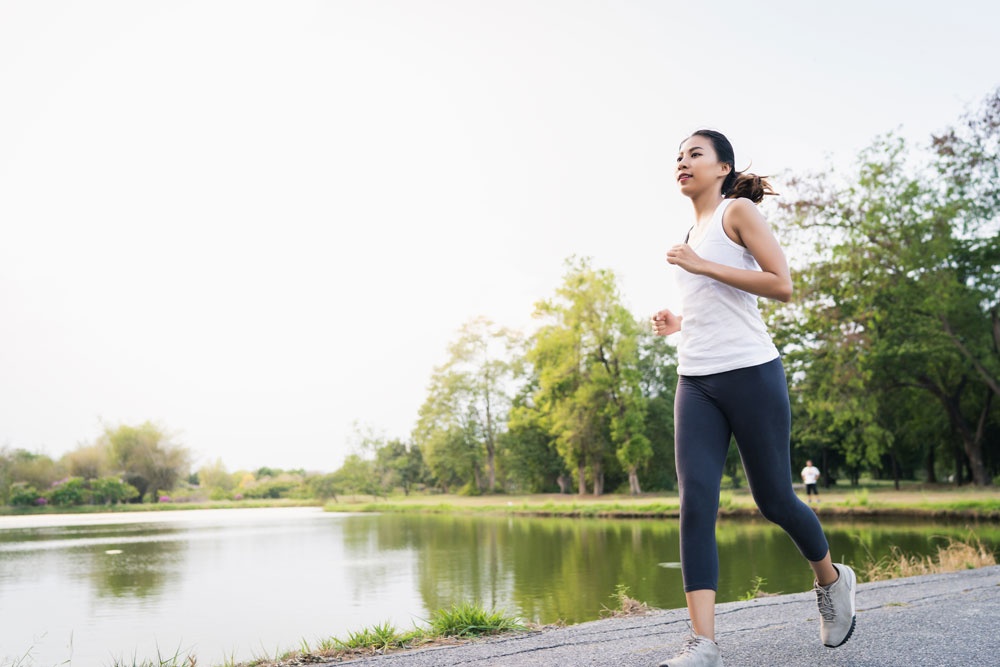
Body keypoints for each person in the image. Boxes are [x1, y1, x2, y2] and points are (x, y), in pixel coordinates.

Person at [651, 130, 856, 667]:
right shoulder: (689, 229)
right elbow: (713, 304)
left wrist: (700, 264)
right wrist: (677, 322)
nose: (682, 162)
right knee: (696, 502)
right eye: (678, 156)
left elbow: (781, 283)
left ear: (722, 167)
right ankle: (704, 644)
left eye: (694, 153)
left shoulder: (735, 212)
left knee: (775, 501)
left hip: (752, 374)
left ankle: (832, 582)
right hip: (695, 379)